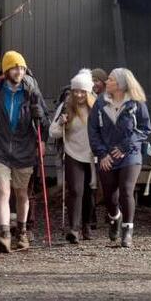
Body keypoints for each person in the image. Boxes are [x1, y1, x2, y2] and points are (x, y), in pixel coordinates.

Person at [0, 51, 49, 253]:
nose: (19, 72)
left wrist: (40, 119)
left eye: (22, 68)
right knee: (3, 190)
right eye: (15, 68)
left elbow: (45, 122)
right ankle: (4, 233)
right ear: (6, 70)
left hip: (24, 150)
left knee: (21, 193)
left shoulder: (32, 92)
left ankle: (22, 232)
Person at [88, 68, 151, 247]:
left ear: (121, 84)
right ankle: (115, 217)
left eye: (110, 79)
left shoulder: (136, 103)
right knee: (110, 196)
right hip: (107, 155)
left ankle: (127, 231)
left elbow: (145, 129)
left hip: (130, 154)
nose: (106, 82)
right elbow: (93, 130)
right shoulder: (100, 103)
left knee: (126, 190)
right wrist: (102, 154)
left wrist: (125, 145)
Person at [49, 69, 97, 243]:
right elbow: (53, 132)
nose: (79, 95)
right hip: (72, 153)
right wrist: (61, 123)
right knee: (76, 190)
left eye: (82, 91)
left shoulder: (96, 107)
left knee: (89, 193)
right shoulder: (65, 106)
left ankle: (86, 225)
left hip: (92, 155)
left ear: (88, 92)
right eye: (76, 91)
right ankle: (74, 229)